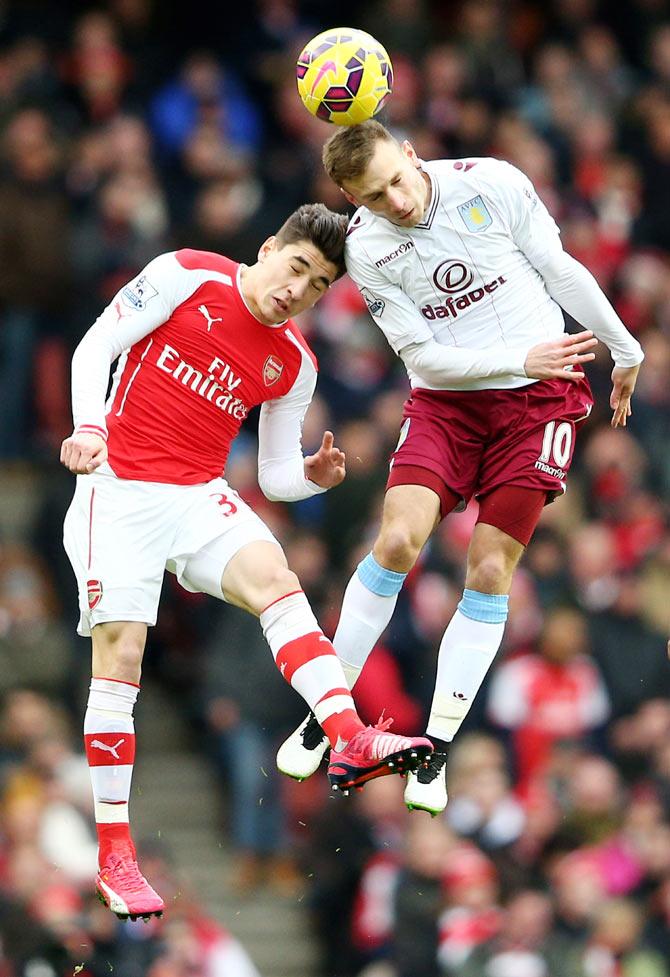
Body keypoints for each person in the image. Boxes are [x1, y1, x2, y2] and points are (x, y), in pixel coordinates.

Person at [60, 202, 432, 922]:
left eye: (319, 284)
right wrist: (86, 427)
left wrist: (312, 477)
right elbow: (92, 348)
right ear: (268, 248)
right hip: (120, 484)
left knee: (277, 580)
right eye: (297, 267)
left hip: (198, 492)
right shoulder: (185, 275)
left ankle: (350, 737)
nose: (299, 289)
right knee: (123, 653)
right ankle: (115, 852)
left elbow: (275, 470)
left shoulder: (294, 362)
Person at [276, 121, 644, 817]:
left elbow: (560, 267)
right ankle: (326, 714)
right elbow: (422, 361)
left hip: (540, 402)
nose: (398, 200)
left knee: (488, 569)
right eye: (376, 197)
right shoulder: (367, 248)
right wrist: (517, 359)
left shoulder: (493, 183)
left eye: (399, 179)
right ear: (354, 200)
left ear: (412, 154)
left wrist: (624, 347)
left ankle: (436, 749)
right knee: (393, 541)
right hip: (449, 403)